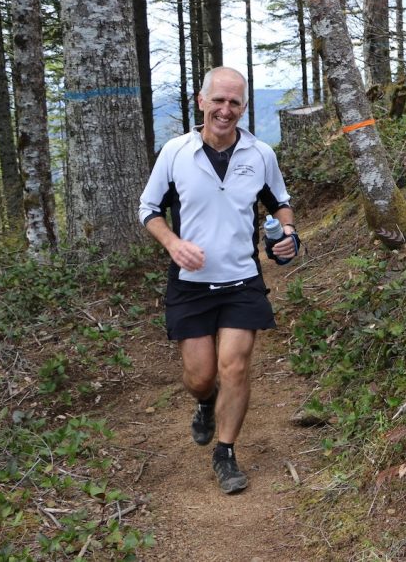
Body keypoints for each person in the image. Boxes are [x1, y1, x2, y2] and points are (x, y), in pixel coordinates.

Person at [138, 66, 297, 494]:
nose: (226, 110)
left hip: (242, 280)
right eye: (219, 100)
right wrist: (172, 243)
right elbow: (148, 209)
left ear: (244, 108)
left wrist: (288, 235)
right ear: (201, 101)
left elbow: (280, 203)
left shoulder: (260, 154)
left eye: (235, 103)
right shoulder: (175, 153)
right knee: (201, 377)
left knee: (236, 366)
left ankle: (225, 453)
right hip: (190, 285)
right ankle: (205, 403)